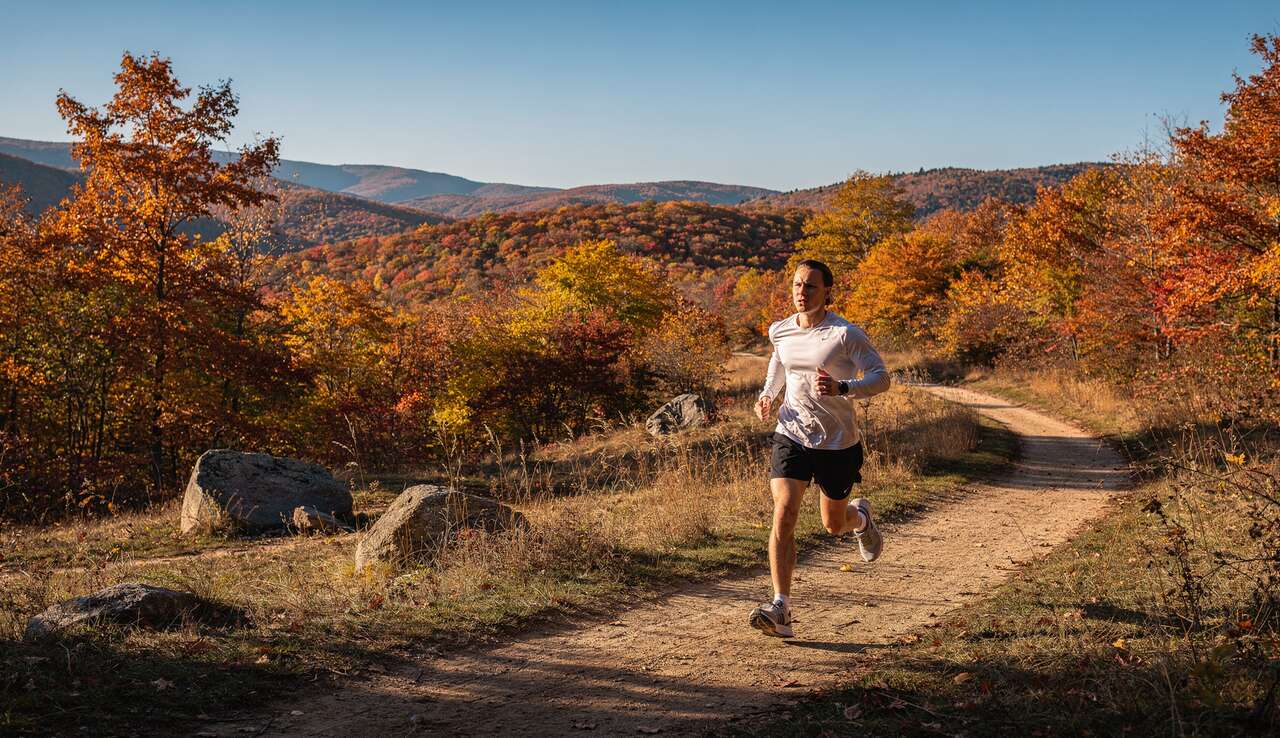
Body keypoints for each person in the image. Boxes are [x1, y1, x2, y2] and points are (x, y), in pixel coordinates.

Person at [748, 259, 890, 638]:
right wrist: (767, 396)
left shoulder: (845, 335)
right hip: (791, 433)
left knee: (832, 524)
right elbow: (780, 364)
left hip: (837, 443)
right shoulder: (781, 330)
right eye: (796, 284)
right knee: (784, 511)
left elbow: (881, 378)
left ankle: (860, 519)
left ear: (827, 291)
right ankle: (781, 608)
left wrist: (845, 388)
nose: (801, 292)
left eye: (810, 286)